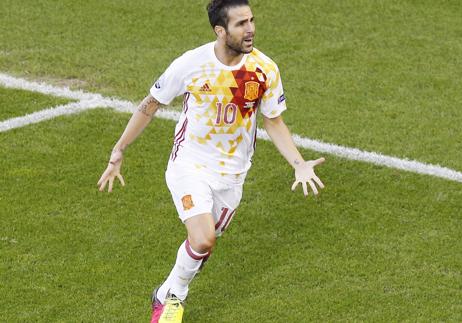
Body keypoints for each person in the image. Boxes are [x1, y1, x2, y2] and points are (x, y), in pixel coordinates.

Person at [97, 0, 325, 322]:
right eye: (240, 24)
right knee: (203, 237)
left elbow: (274, 121)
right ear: (220, 30)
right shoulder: (191, 64)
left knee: (203, 246)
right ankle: (174, 298)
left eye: (251, 20)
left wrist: (298, 163)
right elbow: (151, 104)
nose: (250, 29)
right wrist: (119, 150)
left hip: (233, 175)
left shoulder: (264, 69)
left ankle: (164, 293)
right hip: (190, 164)